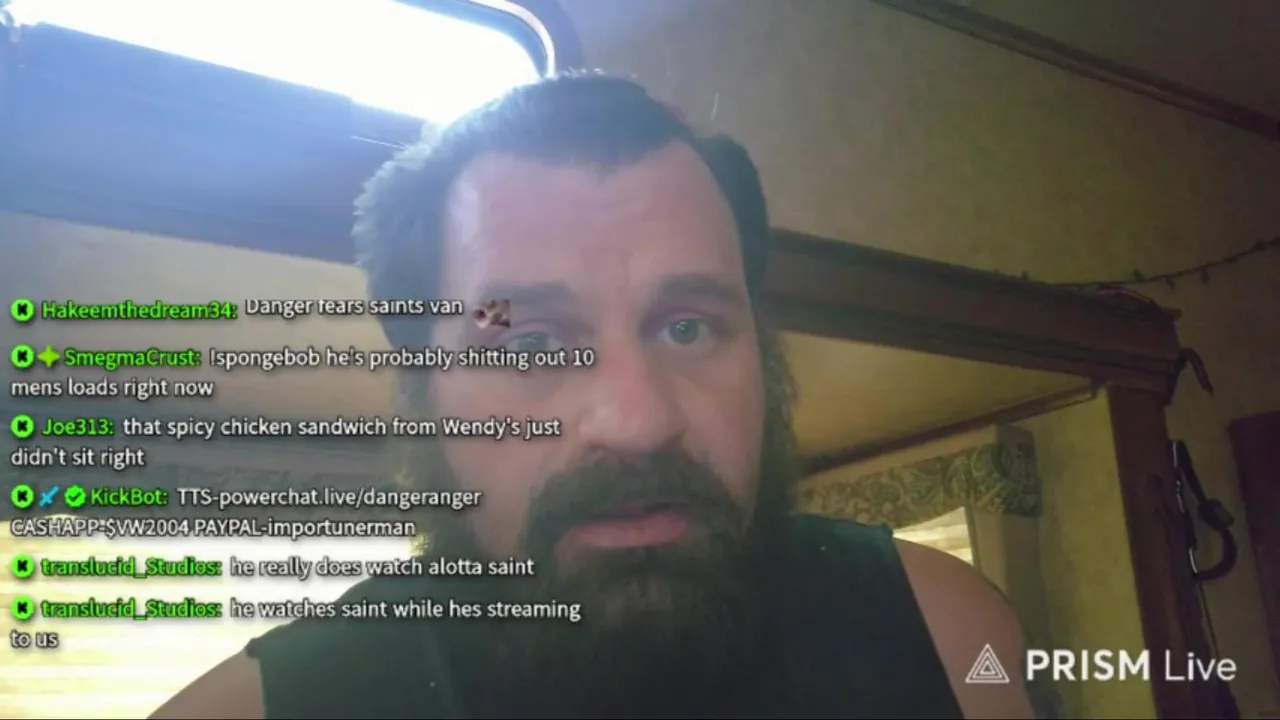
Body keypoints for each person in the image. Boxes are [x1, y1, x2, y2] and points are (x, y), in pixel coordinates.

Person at [152, 71, 1049, 719]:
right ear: (424, 391)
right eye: (532, 343)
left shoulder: (947, 633)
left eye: (687, 327)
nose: (639, 420)